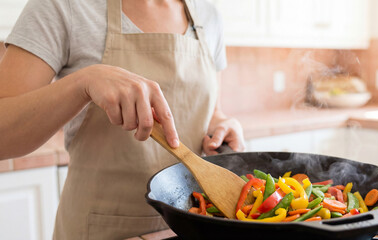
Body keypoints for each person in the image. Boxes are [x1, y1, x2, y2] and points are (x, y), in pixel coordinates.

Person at [0, 0, 245, 238]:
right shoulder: (62, 6)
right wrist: (83, 82)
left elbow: (211, 110)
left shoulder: (208, 16)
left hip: (189, 226)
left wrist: (221, 125)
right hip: (97, 230)